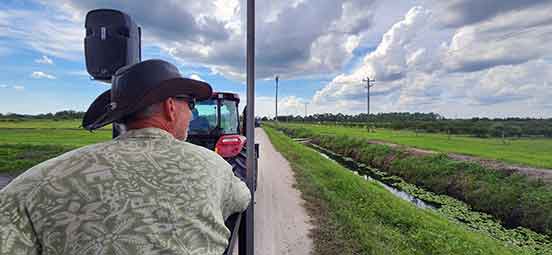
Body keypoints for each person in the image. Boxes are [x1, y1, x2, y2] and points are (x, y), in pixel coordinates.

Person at [0, 59, 251, 255]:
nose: (192, 114)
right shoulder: (214, 166)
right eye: (191, 105)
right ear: (170, 108)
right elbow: (242, 198)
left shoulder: (34, 182)